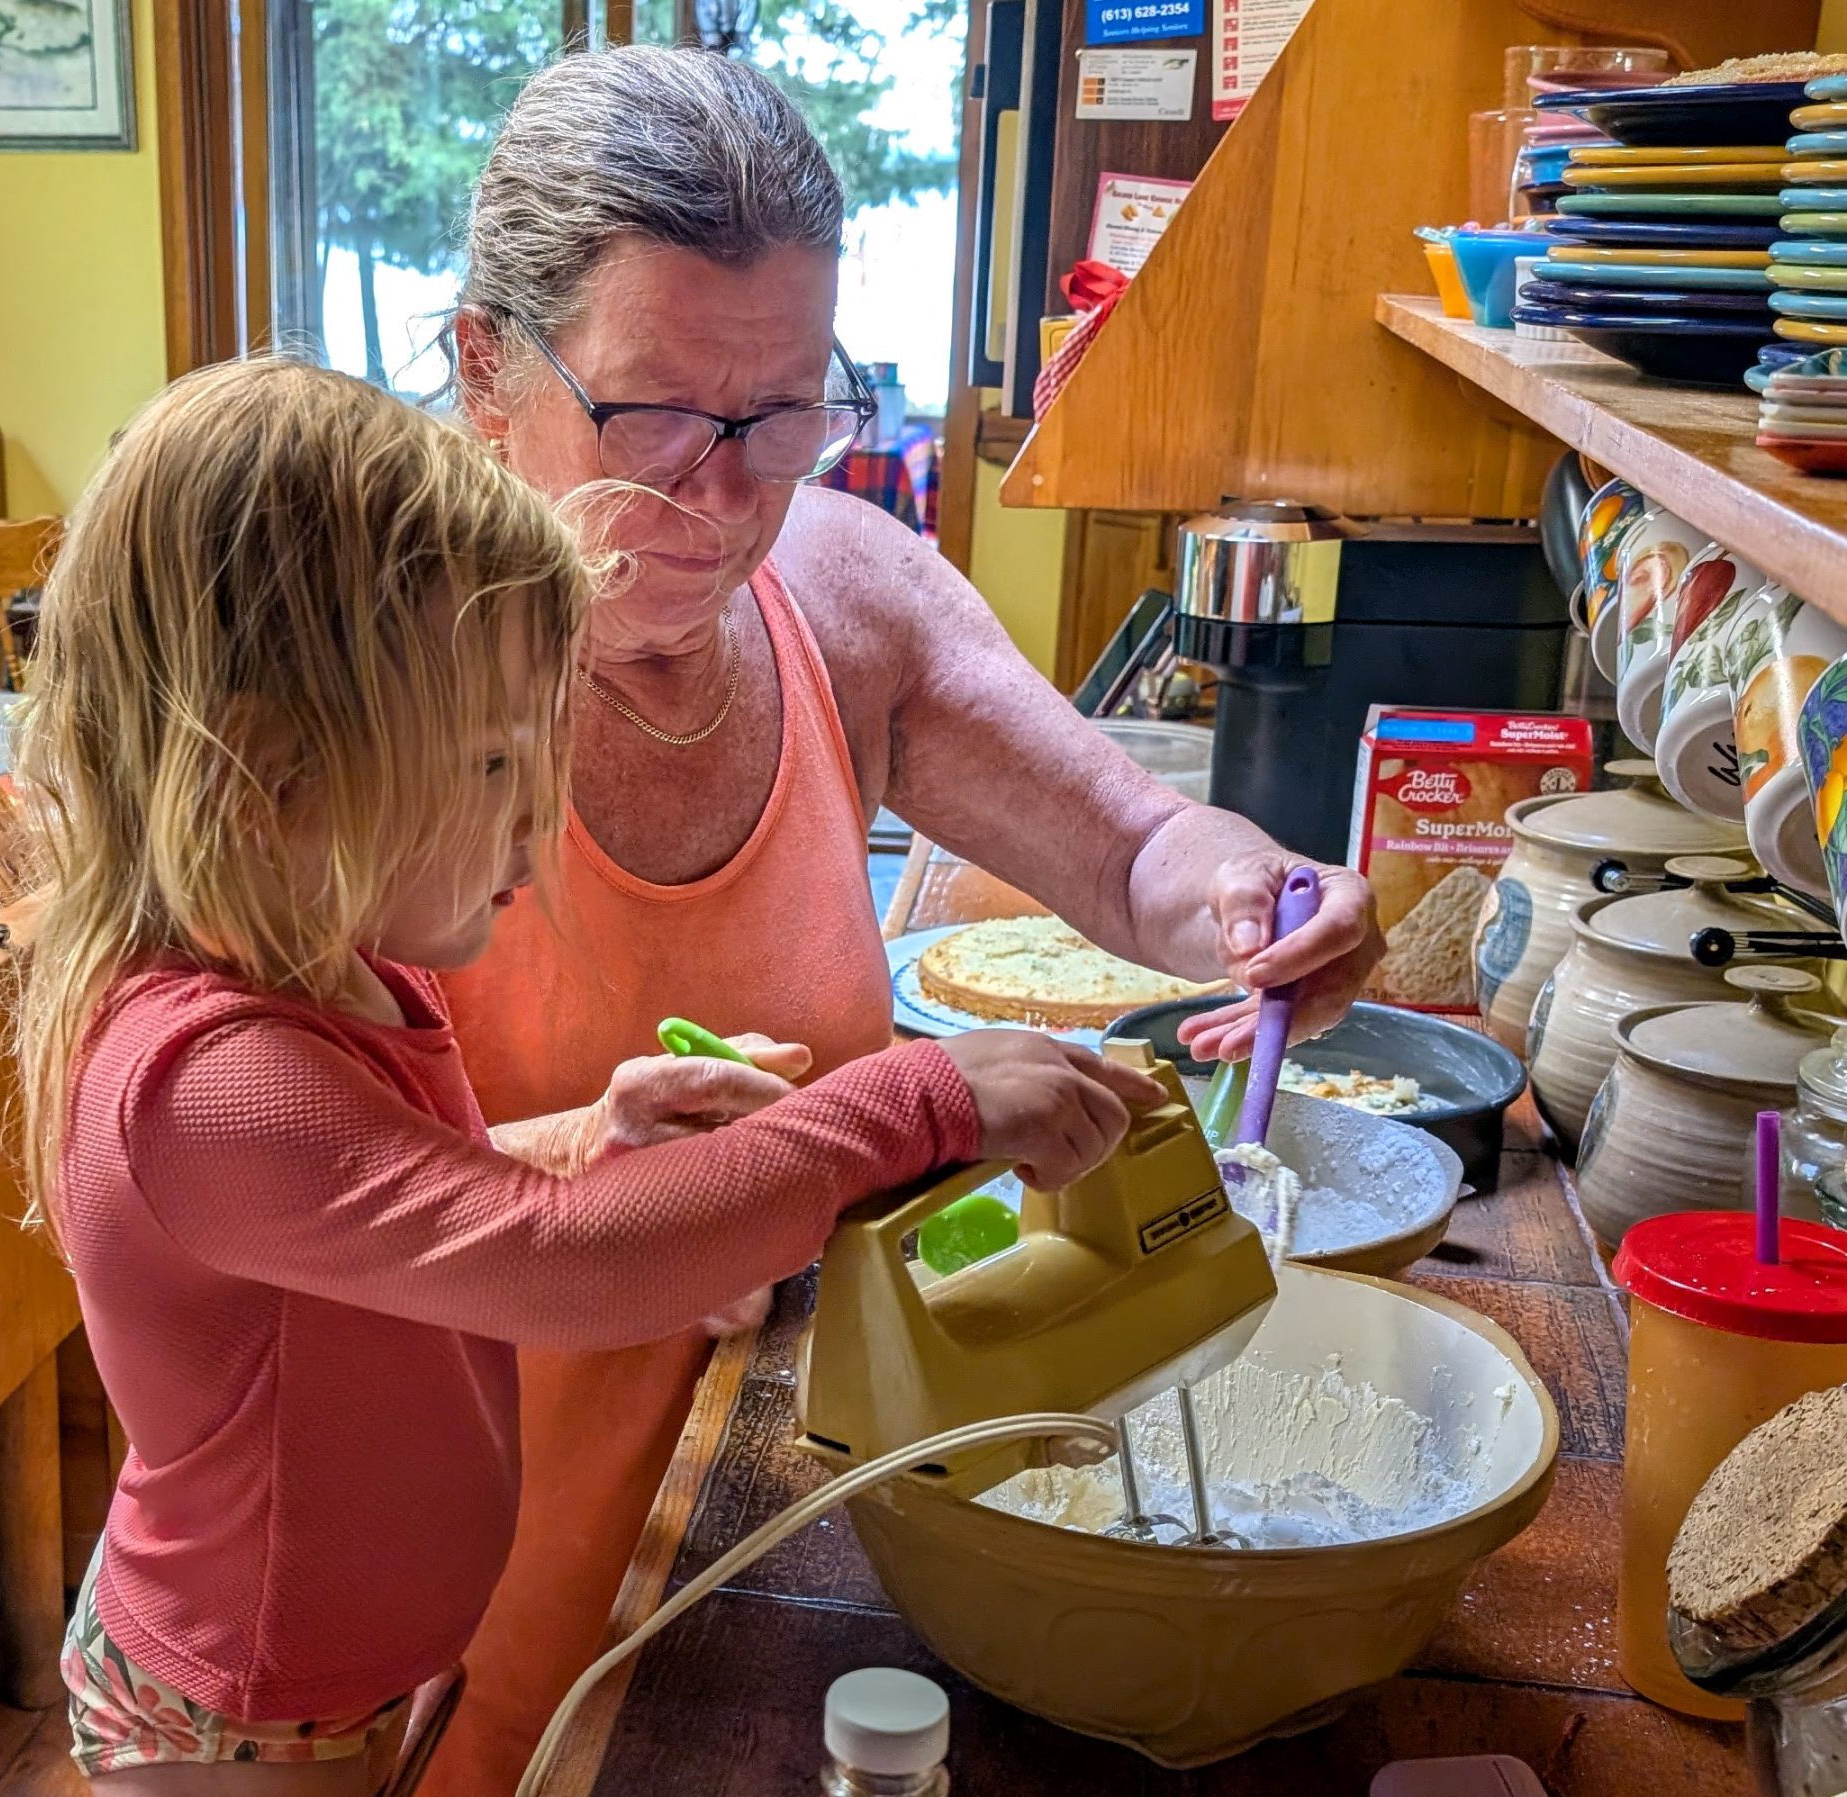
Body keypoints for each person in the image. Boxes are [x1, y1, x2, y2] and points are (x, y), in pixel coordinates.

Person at [420, 46, 1386, 1797]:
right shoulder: (358, 659)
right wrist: (597, 1177)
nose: (727, 498)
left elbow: (1135, 850)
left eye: (786, 414)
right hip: (430, 1578)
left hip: (765, 1509)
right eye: (655, 418)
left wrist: (1258, 895)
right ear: (488, 363)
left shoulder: (837, 592)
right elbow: (217, 1184)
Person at [12, 357, 1169, 1791]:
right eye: (493, 762)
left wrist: (580, 1139)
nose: (541, 809)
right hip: (237, 1724)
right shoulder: (206, 1080)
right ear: (271, 776)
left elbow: (388, 1222)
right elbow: (559, 1269)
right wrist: (920, 1102)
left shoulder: (331, 970)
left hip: (334, 1682)